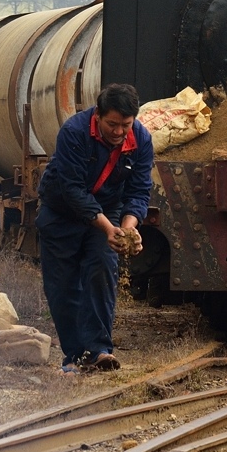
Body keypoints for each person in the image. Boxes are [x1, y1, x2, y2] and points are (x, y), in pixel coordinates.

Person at [35, 83, 154, 375]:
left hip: (107, 210)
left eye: (125, 125)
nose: (118, 132)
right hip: (61, 211)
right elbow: (73, 189)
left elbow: (139, 190)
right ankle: (75, 355)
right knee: (63, 286)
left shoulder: (141, 138)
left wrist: (127, 228)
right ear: (97, 116)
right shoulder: (74, 132)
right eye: (112, 124)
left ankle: (99, 350)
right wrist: (106, 226)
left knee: (102, 268)